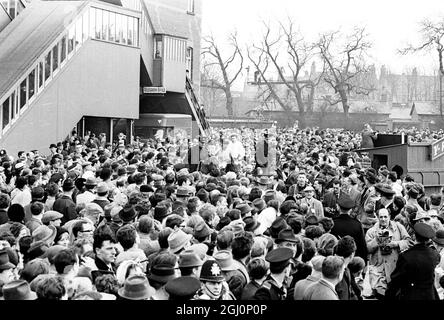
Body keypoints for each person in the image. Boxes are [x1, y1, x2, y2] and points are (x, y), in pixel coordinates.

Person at [386, 222, 441, 300]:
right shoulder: (435, 255)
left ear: (414, 236)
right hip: (430, 295)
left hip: (411, 294)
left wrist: (389, 295)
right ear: (428, 239)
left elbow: (396, 280)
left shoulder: (406, 256)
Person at [365, 208, 412, 299]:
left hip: (395, 269)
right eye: (381, 217)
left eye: (385, 217)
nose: (383, 219)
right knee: (381, 295)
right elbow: (367, 249)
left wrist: (396, 244)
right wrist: (377, 240)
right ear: (377, 217)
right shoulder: (371, 231)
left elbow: (409, 242)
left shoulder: (398, 227)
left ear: (389, 217)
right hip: (379, 270)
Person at [330, 193, 368, 263]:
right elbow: (362, 247)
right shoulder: (357, 224)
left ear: (338, 207)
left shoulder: (332, 223)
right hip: (352, 260)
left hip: (335, 260)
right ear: (350, 210)